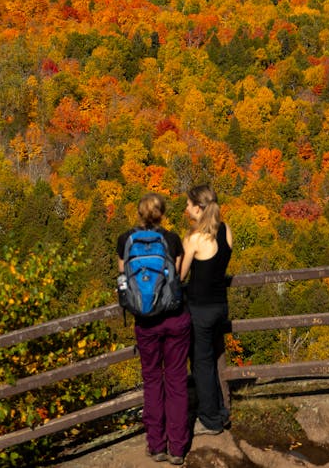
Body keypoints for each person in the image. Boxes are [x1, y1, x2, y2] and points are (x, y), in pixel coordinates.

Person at [116, 192, 191, 465]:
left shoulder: (126, 240)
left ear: (139, 214)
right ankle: (178, 448)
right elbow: (178, 278)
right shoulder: (171, 240)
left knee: (152, 381)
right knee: (176, 382)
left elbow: (125, 281)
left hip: (145, 323)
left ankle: (156, 445)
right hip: (174, 319)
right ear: (162, 214)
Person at [180, 184, 233, 436]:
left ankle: (210, 419)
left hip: (200, 310)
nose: (186, 208)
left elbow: (180, 275)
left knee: (201, 364)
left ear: (199, 208)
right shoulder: (226, 231)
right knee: (212, 359)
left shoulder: (194, 239)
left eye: (189, 205)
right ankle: (221, 412)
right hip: (220, 306)